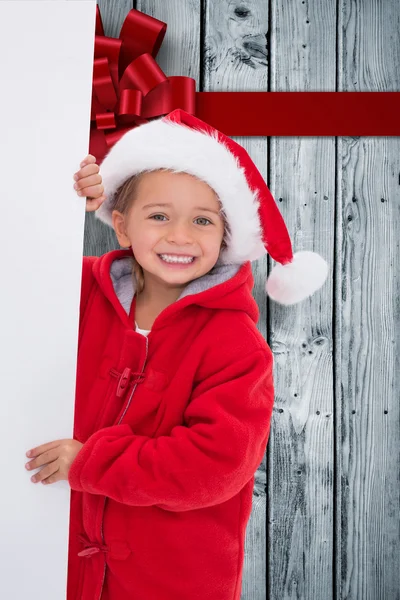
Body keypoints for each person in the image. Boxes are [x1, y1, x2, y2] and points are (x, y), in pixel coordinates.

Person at [25, 109, 329, 600]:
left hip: (172, 578)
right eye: (159, 216)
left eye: (202, 221)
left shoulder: (235, 344)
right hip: (59, 565)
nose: (180, 236)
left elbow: (215, 464)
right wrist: (61, 201)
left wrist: (93, 463)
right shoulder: (79, 292)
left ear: (225, 237)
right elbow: (21, 264)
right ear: (121, 227)